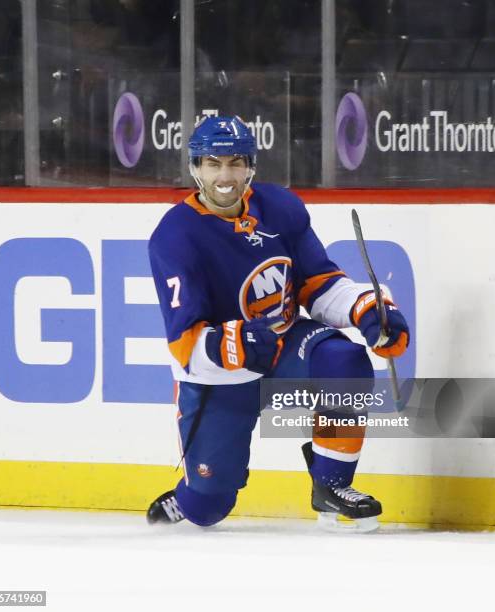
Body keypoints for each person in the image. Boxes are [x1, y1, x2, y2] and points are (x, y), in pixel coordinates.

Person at [147, 116, 409, 531]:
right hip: (220, 375)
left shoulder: (280, 208)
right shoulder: (175, 236)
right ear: (195, 168)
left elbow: (318, 283)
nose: (225, 175)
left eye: (234, 163)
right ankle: (190, 495)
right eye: (213, 164)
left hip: (285, 344)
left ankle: (331, 485)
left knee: (344, 360)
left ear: (250, 165)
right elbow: (185, 345)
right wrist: (233, 343)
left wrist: (367, 309)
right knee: (208, 507)